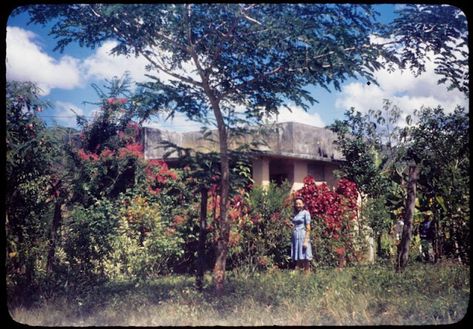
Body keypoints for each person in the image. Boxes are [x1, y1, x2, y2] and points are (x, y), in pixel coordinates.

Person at [291, 196, 313, 272]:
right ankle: (299, 278)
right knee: (298, 257)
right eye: (296, 204)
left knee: (305, 258)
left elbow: (308, 227)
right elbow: (295, 225)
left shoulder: (306, 213)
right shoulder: (295, 214)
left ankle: (307, 278)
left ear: (303, 204)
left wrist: (306, 241)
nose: (298, 205)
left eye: (299, 204)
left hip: (303, 236)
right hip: (296, 237)